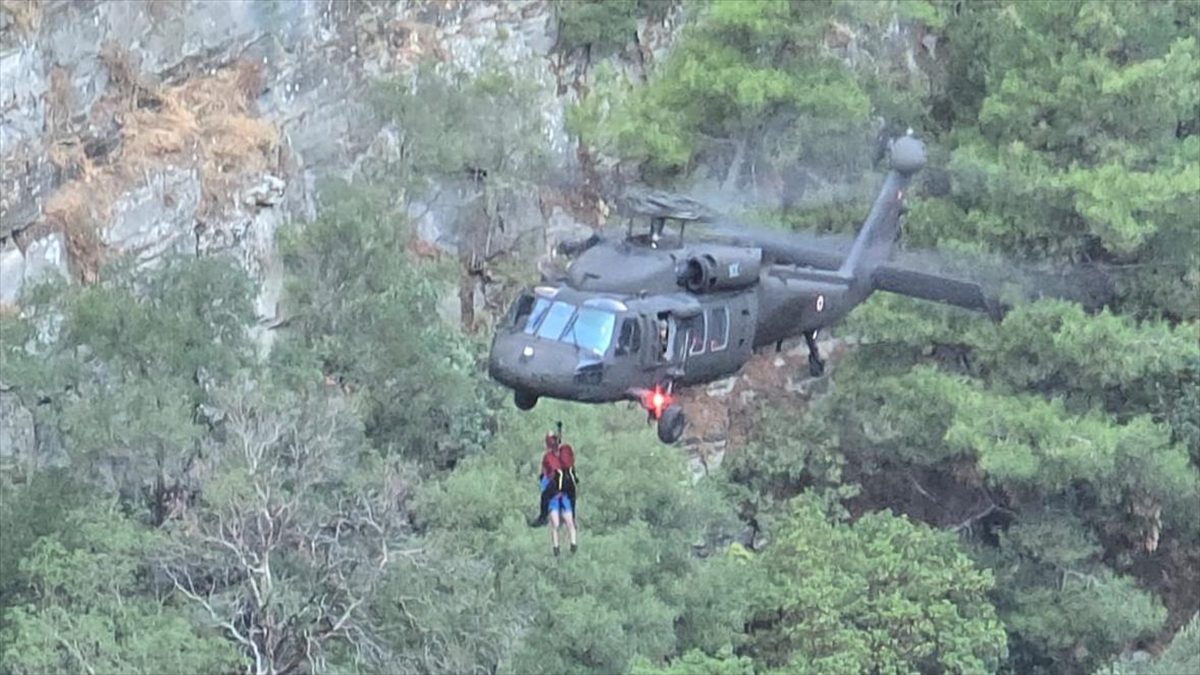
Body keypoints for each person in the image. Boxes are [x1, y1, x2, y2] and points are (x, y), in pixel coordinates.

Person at [530, 431, 578, 556]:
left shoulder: (550, 457)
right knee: (570, 521)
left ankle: (543, 519)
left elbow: (545, 477)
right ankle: (572, 543)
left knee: (555, 523)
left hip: (555, 491)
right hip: (568, 489)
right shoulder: (565, 453)